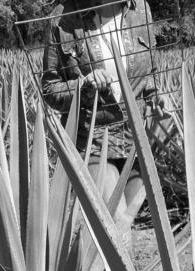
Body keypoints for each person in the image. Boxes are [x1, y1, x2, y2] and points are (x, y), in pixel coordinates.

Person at [41, 0, 167, 232]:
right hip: (93, 138)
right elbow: (50, 89)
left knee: (121, 228)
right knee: (116, 225)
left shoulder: (140, 9)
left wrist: (155, 95)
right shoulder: (63, 18)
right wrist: (83, 85)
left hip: (135, 139)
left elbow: (150, 71)